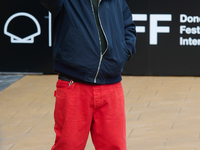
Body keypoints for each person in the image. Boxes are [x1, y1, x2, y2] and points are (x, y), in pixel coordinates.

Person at [40, 0, 136, 149]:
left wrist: (125, 51)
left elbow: (128, 27)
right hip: (74, 85)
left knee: (114, 146)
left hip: (111, 86)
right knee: (68, 146)